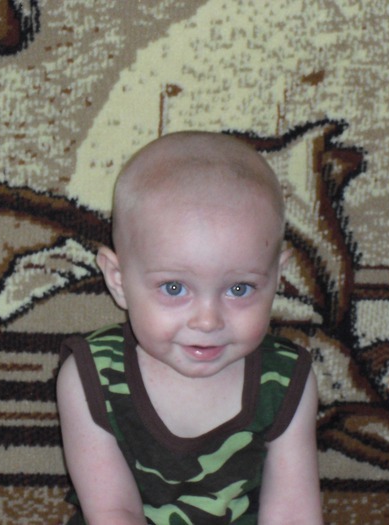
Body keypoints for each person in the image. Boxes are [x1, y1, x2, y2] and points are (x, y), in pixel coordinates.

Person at [56, 131, 323, 524]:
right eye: (174, 288)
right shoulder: (91, 376)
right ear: (118, 280)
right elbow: (113, 511)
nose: (208, 321)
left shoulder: (285, 382)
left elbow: (293, 513)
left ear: (277, 278)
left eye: (239, 288)